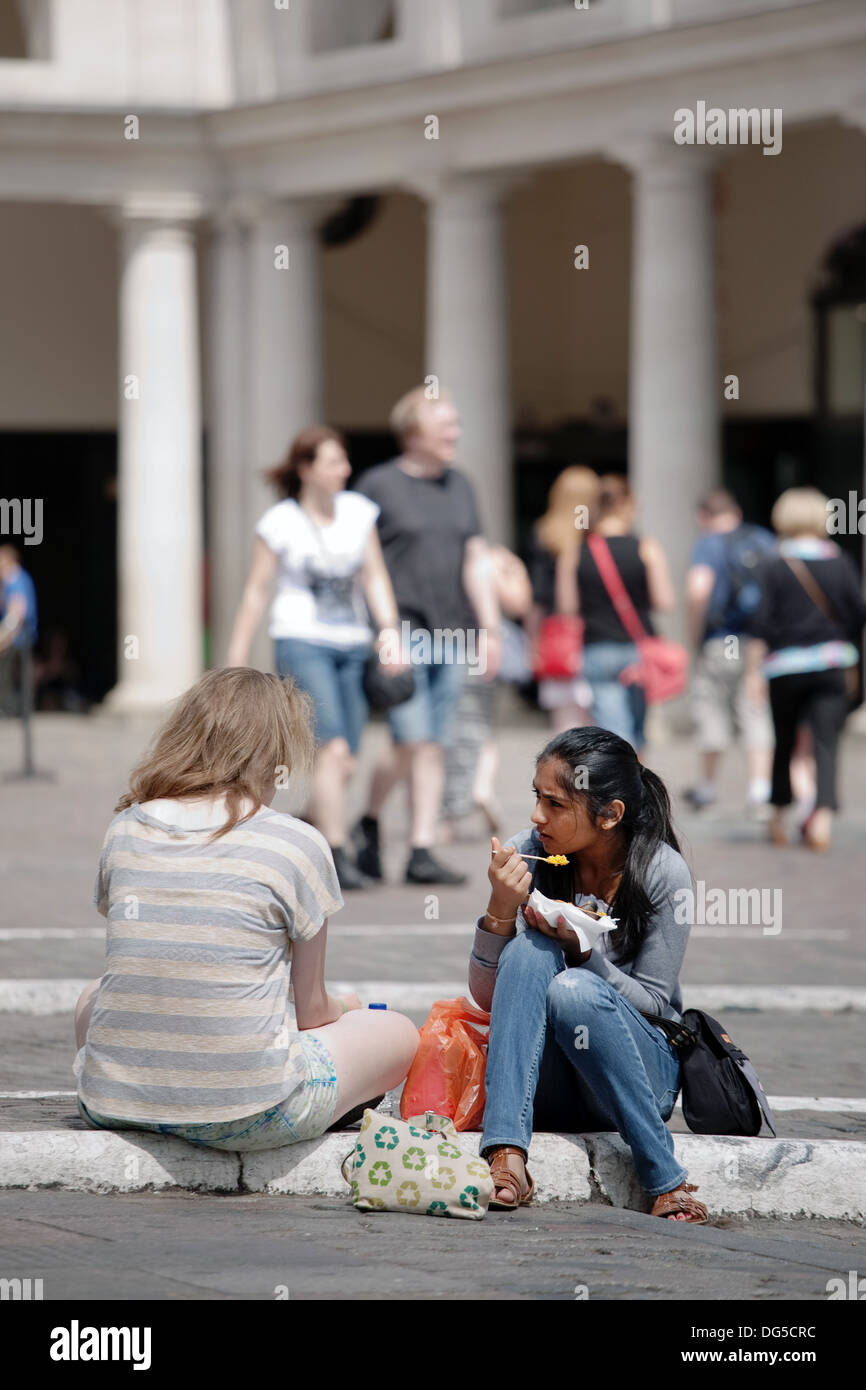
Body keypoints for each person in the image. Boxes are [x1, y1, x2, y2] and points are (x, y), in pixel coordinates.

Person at [73, 668, 419, 1149]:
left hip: (110, 1101)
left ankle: (146, 1092)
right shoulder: (295, 842)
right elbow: (312, 1012)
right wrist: (349, 1007)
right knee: (395, 1030)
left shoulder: (126, 828)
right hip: (250, 1111)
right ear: (274, 756)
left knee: (94, 994)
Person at [468, 726, 706, 1222]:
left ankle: (663, 1177)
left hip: (638, 1078)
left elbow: (657, 1004)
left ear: (610, 815)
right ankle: (506, 1153)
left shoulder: (662, 872)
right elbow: (490, 997)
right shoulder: (530, 854)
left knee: (575, 990)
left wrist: (585, 957)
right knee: (531, 949)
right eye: (537, 798)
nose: (537, 816)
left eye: (555, 804)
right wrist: (498, 909)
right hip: (549, 1083)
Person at [226, 426, 405, 890]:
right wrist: (236, 655)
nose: (343, 470)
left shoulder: (358, 513)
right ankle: (337, 852)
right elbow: (256, 591)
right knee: (333, 748)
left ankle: (308, 823)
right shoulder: (280, 522)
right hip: (301, 639)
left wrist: (390, 633)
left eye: (345, 461)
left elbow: (375, 578)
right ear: (306, 468)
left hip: (352, 643)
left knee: (346, 760)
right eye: (332, 462)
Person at [351, 387, 500, 886]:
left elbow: (475, 558)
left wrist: (490, 628)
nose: (456, 434)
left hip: (453, 631)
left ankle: (420, 847)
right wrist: (381, 632)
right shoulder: (378, 485)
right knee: (410, 739)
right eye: (446, 425)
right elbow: (362, 567)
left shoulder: (461, 485)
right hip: (404, 631)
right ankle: (370, 818)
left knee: (434, 743)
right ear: (414, 432)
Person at [747, 487, 866, 852]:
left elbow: (761, 623)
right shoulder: (840, 561)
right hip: (832, 663)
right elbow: (858, 613)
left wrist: (753, 671)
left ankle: (780, 814)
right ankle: (823, 818)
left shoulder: (772, 563)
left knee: (784, 741)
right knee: (827, 745)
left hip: (785, 666)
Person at [559, 475, 675, 752]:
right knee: (638, 726)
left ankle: (621, 783)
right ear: (627, 506)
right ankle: (634, 785)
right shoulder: (647, 548)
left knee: (612, 727)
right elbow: (665, 600)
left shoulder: (576, 552)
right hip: (638, 648)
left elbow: (567, 607)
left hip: (597, 645)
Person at [684, 489, 776, 815]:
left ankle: (707, 787)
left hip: (721, 640)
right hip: (758, 642)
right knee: (755, 709)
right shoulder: (763, 539)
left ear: (704, 516)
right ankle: (760, 789)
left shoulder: (709, 543)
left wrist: (694, 635)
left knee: (712, 709)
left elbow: (698, 590)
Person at [440, 544, 533, 841]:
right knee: (479, 727)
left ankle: (453, 808)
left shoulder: (451, 554)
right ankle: (479, 788)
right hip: (484, 650)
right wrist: (512, 568)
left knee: (457, 729)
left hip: (451, 644)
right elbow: (520, 602)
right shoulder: (492, 560)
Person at [527, 467, 599, 734]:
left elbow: (537, 597)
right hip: (597, 634)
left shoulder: (544, 534)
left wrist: (532, 640)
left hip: (558, 636)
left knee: (565, 723)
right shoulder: (597, 538)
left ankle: (568, 776)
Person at [0, 544, 38, 716]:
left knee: (7, 675)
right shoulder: (19, 578)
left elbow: (17, 611)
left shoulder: (14, 579)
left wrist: (4, 636)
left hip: (17, 637)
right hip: (21, 637)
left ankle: (10, 710)